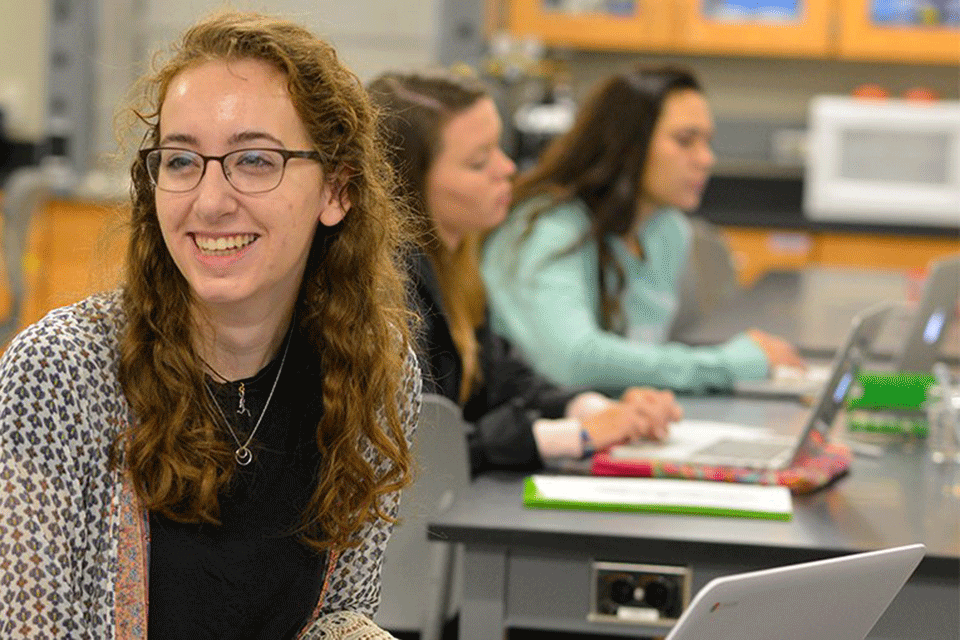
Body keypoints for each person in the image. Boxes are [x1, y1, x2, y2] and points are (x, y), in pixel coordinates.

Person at [0, 12, 420, 639]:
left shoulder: (373, 368)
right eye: (181, 161)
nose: (211, 200)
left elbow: (337, 616)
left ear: (337, 190)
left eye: (254, 160)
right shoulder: (61, 373)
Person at [367, 70, 681, 476]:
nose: (507, 168)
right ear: (405, 181)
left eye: (500, 149)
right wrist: (577, 436)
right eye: (479, 162)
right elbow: (427, 448)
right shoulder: (389, 291)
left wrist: (596, 408)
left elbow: (500, 379)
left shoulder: (458, 264)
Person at [481, 65, 804, 394]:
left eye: (707, 142)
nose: (706, 159)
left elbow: (637, 359)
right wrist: (725, 365)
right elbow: (572, 360)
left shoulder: (668, 231)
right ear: (627, 144)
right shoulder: (546, 227)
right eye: (685, 141)